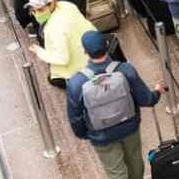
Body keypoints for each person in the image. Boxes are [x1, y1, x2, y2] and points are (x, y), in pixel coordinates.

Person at [67, 31, 165, 179]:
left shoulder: (76, 83)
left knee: (116, 172)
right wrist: (157, 92)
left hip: (101, 135)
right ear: (107, 45)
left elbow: (75, 118)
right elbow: (147, 100)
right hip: (129, 127)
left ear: (85, 51)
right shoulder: (125, 69)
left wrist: (87, 134)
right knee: (135, 163)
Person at [27, 0, 97, 87]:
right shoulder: (67, 5)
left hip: (79, 71)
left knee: (53, 79)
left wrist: (40, 52)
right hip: (93, 56)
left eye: (40, 10)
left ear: (51, 4)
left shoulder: (54, 27)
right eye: (33, 10)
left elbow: (62, 59)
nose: (36, 14)